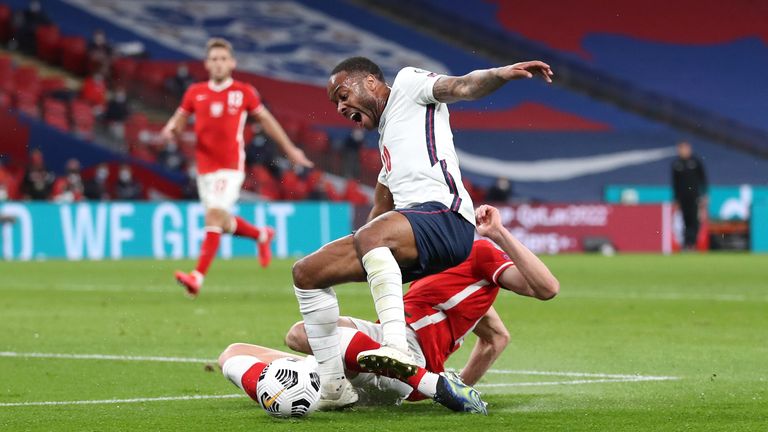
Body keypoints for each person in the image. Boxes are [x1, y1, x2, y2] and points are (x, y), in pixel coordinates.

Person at [292, 55, 554, 408]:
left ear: (370, 82)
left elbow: (462, 85)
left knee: (371, 235)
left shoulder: (408, 85)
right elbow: (379, 211)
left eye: (342, 95)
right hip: (414, 230)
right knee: (307, 272)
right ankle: (334, 387)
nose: (340, 107)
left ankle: (396, 346)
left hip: (448, 218)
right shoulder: (389, 145)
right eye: (336, 103)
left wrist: (500, 74)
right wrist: (358, 256)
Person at [221, 204, 559, 412]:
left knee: (303, 334)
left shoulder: (480, 254)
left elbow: (546, 289)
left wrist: (499, 233)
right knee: (237, 352)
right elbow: (495, 337)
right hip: (377, 345)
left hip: (408, 355)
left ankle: (428, 383)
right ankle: (339, 387)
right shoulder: (435, 261)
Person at [161, 38, 313, 296]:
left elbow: (267, 121)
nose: (219, 64)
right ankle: (261, 235)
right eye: (214, 59)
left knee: (213, 217)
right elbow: (177, 120)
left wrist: (290, 149)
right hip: (204, 169)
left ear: (232, 63)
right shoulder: (195, 92)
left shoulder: (243, 92)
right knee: (219, 220)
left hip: (230, 166)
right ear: (207, 64)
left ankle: (197, 276)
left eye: (223, 59)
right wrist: (169, 129)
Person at [671, 141, 708, 250]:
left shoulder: (695, 162)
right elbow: (675, 183)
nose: (682, 151)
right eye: (680, 149)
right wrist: (676, 199)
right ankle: (687, 243)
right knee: (684, 219)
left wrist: (704, 195)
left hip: (694, 197)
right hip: (682, 198)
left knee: (694, 220)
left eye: (684, 148)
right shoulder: (676, 164)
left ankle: (692, 243)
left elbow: (703, 180)